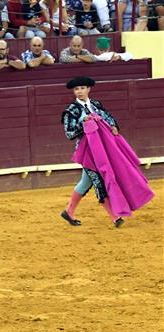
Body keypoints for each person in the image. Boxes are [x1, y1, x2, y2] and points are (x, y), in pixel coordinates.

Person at [60, 76, 127, 227]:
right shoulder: (72, 110)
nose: (79, 91)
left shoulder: (96, 105)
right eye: (76, 89)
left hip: (103, 149)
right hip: (88, 152)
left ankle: (69, 211)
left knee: (86, 182)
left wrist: (114, 126)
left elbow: (108, 118)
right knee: (99, 180)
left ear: (88, 89)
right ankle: (115, 217)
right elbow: (69, 133)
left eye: (82, 88)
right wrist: (83, 123)